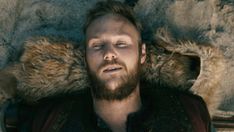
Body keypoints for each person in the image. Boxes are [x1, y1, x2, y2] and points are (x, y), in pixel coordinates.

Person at [2, 0, 213, 132]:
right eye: (97, 45)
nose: (109, 53)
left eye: (121, 43)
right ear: (85, 56)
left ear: (142, 54)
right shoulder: (49, 119)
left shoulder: (189, 112)